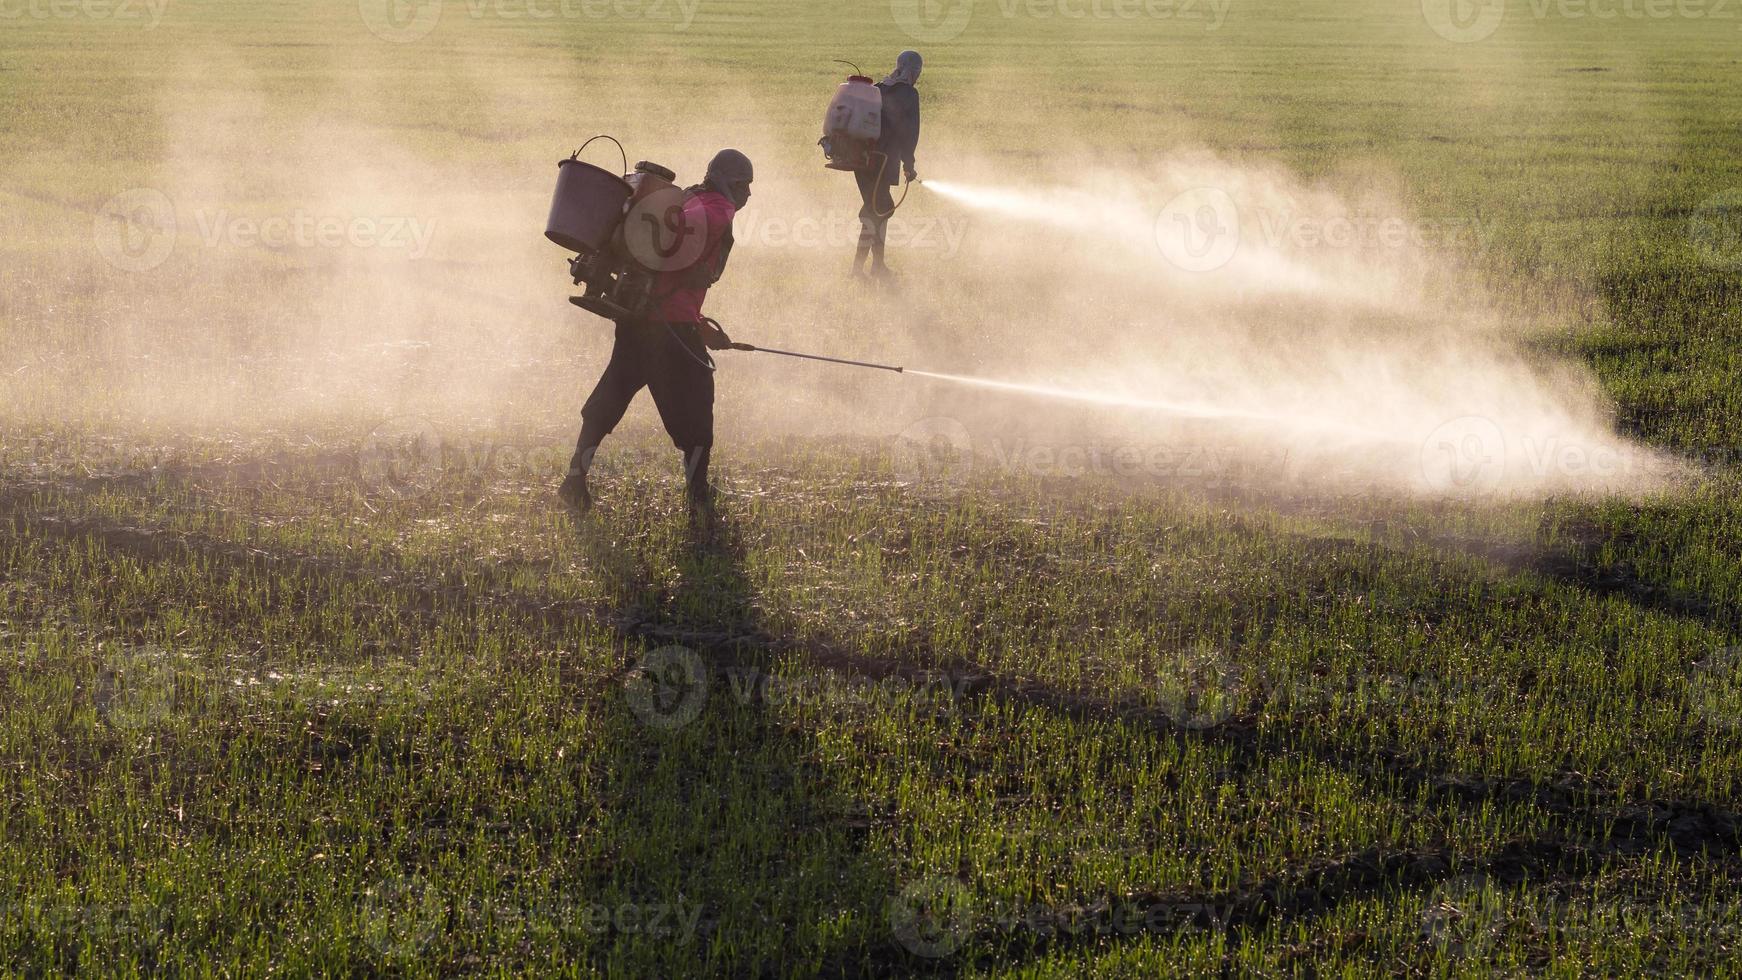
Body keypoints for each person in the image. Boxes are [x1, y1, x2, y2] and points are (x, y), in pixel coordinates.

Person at [558, 148, 752, 514]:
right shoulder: (718, 213)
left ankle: (574, 479)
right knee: (697, 414)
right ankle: (698, 496)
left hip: (637, 320)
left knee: (607, 401)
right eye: (744, 185)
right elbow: (681, 271)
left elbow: (667, 269)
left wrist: (701, 327)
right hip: (671, 329)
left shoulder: (684, 201)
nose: (747, 195)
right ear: (730, 183)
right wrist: (689, 325)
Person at [853, 50, 922, 279]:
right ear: (914, 70)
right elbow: (909, 133)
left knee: (877, 210)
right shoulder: (909, 94)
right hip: (882, 161)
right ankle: (861, 269)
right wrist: (909, 164)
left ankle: (875, 267)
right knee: (878, 210)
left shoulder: (881, 87)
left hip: (861, 159)